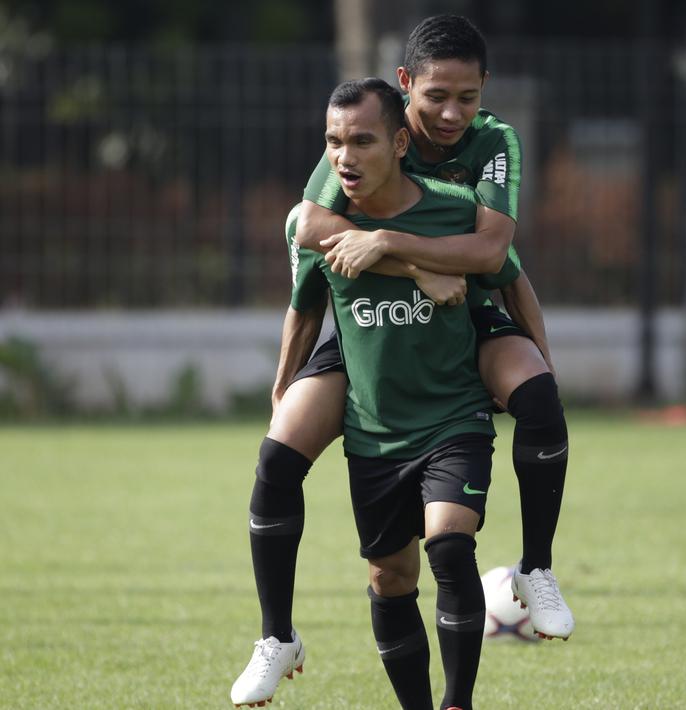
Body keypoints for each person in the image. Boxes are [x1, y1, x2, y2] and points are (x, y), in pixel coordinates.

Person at [231, 14, 574, 707]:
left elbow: (494, 258)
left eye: (467, 97)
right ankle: (276, 636)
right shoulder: (361, 138)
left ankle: (535, 569)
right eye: (435, 97)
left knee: (537, 400)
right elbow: (305, 226)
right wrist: (409, 268)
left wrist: (389, 244)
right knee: (277, 462)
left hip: (461, 316)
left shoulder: (489, 146)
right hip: (367, 328)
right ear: (405, 87)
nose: (451, 113)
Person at [277, 78, 501, 710]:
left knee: (451, 544)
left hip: (455, 416)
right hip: (375, 433)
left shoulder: (457, 207)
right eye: (333, 142)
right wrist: (282, 383)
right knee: (389, 576)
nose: (344, 157)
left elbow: (507, 270)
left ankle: (459, 703)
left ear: (401, 143)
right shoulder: (327, 227)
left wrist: (539, 372)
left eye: (362, 141)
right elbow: (303, 307)